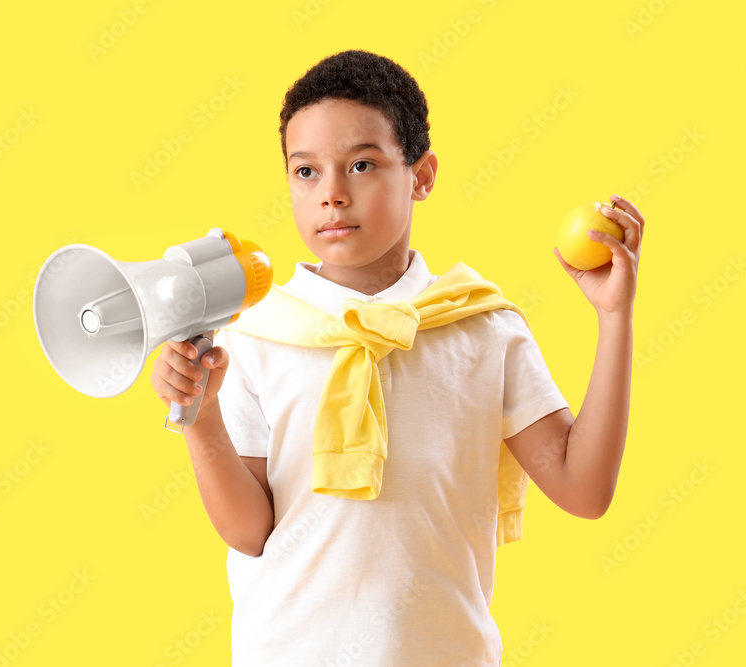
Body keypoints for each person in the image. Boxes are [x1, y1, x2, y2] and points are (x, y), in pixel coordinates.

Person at [150, 49, 643, 666]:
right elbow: (250, 531)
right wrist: (201, 416)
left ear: (422, 175)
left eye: (361, 164)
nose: (332, 194)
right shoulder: (256, 334)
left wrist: (614, 318)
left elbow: (584, 489)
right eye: (306, 172)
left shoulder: (483, 330)